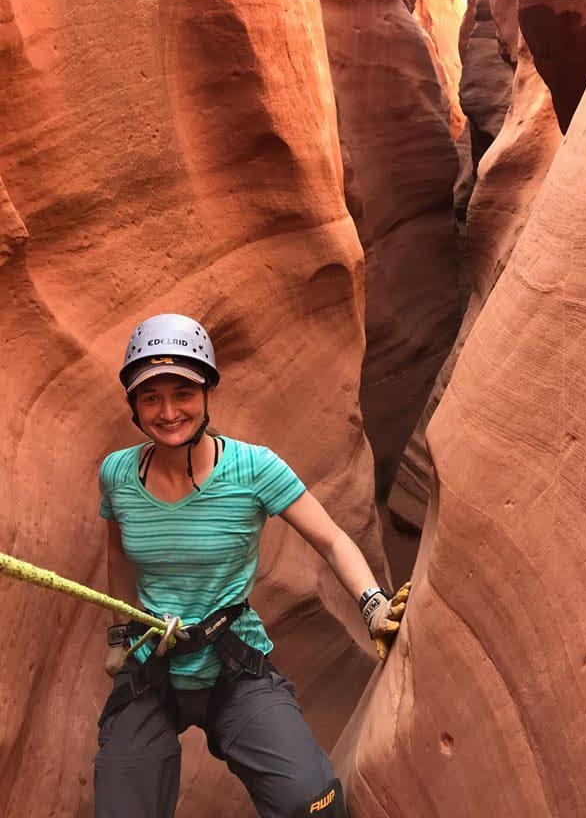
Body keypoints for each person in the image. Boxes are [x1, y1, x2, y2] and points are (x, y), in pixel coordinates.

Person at [94, 313, 409, 818]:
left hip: (233, 664)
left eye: (183, 393)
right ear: (133, 404)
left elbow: (331, 539)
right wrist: (119, 637)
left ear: (208, 392)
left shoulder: (254, 469)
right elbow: (118, 557)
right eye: (150, 397)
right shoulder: (117, 474)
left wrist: (373, 605)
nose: (168, 412)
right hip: (152, 664)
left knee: (312, 803)